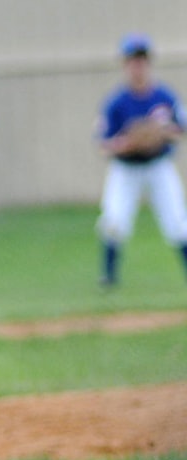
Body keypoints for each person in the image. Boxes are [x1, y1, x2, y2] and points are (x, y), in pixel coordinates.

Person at [95, 33, 187, 288]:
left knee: (178, 222)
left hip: (158, 165)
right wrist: (127, 143)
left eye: (142, 60)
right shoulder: (117, 103)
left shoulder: (164, 97)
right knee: (114, 221)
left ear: (149, 63)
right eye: (133, 61)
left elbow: (182, 127)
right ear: (125, 65)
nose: (138, 66)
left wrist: (162, 133)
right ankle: (109, 279)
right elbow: (104, 144)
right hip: (126, 169)